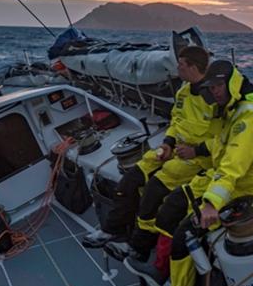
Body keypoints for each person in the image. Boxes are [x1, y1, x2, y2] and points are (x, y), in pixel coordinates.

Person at [123, 60, 253, 286]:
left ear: (232, 83)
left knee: (184, 234)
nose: (214, 91)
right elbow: (220, 146)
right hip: (226, 180)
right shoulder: (230, 111)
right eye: (211, 87)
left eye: (218, 85)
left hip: (251, 186)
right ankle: (160, 269)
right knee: (170, 207)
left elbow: (234, 164)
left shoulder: (250, 116)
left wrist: (212, 203)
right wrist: (196, 151)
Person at [84, 45, 217, 258]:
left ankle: (139, 247)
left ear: (192, 67)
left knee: (153, 191)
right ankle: (111, 230)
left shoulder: (214, 99)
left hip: (197, 159)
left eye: (181, 65)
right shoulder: (183, 92)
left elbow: (221, 138)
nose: (177, 68)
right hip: (173, 150)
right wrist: (167, 143)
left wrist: (195, 151)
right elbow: (176, 121)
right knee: (130, 180)